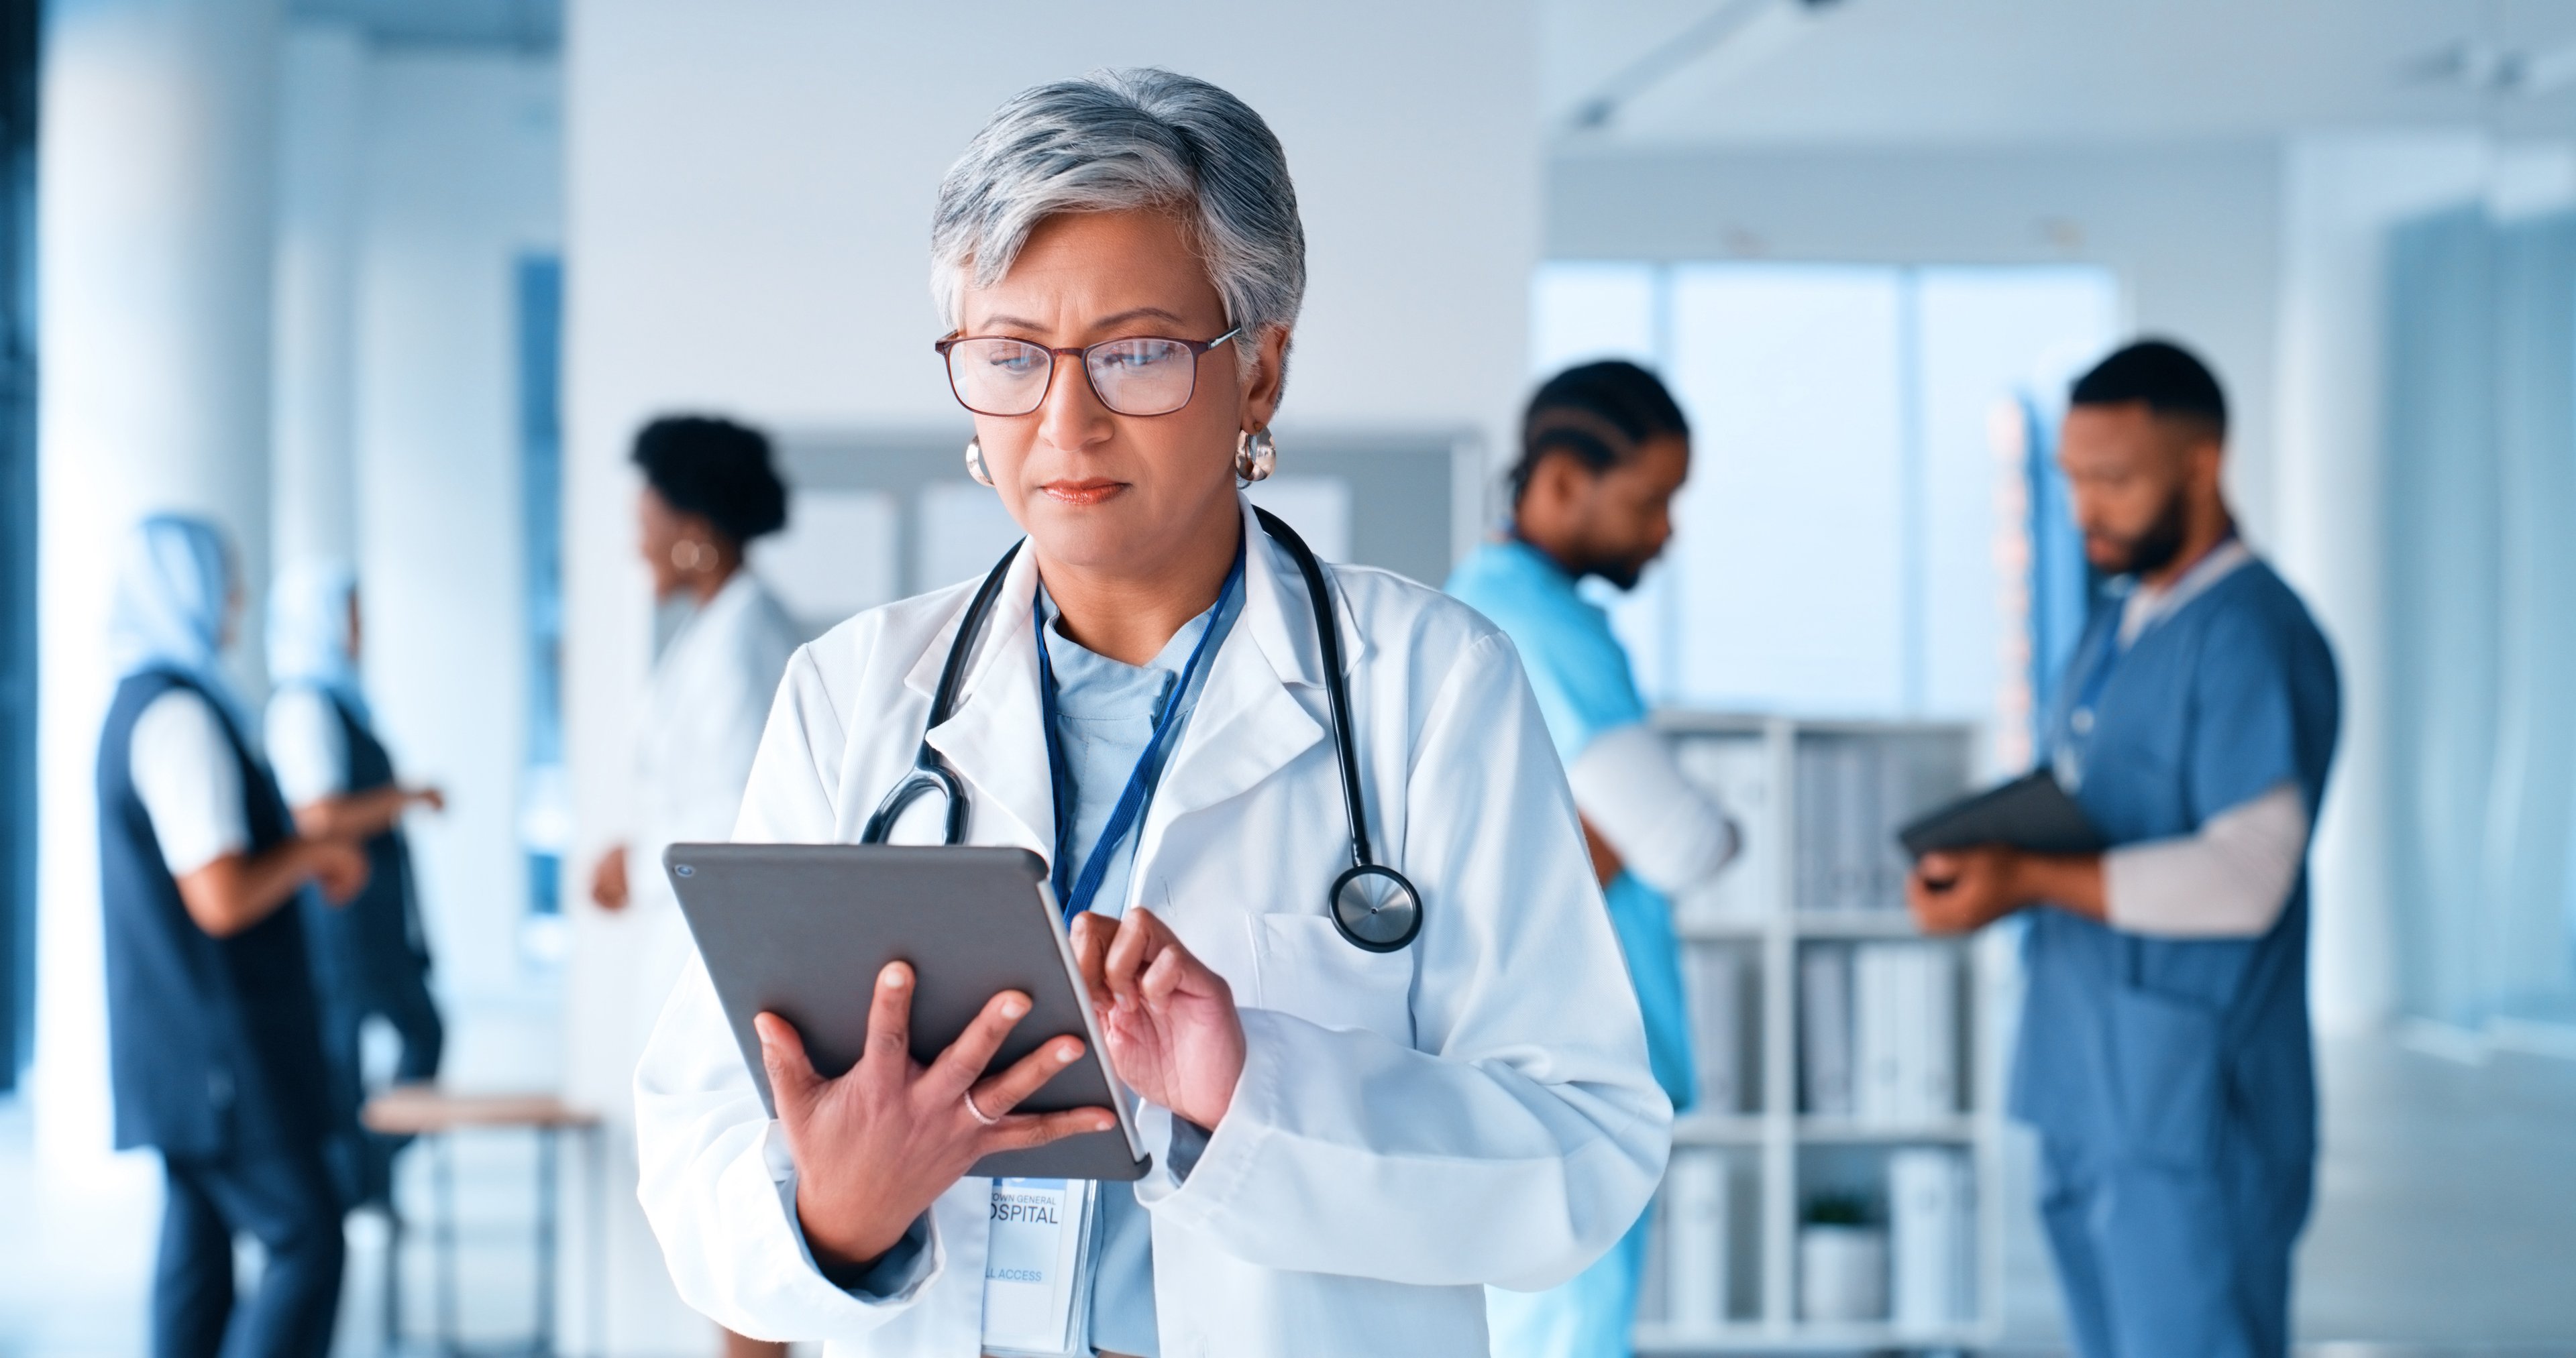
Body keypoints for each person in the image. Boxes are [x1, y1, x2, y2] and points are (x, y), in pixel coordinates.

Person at [633, 69, 1668, 1358]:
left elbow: (1585, 1146)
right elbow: (694, 1138)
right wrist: (834, 1215)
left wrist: (1255, 1098)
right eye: (1010, 357)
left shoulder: (1430, 686)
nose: (1066, 422)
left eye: (1136, 355)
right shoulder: (852, 696)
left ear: (1262, 373)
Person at [1903, 340, 2340, 1358]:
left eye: (2114, 479)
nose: (2085, 508)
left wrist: (2029, 877)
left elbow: (2246, 877)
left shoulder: (2251, 634)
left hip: (2191, 1104)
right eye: (2072, 480)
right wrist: (1991, 875)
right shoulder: (2118, 625)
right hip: (2090, 1079)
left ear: (2202, 464)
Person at [1446, 360, 1739, 1358]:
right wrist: (1640, 833)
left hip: (1533, 1057)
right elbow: (1688, 839)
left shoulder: (1484, 604)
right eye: (1652, 501)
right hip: (1573, 1069)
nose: (1666, 531)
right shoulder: (1536, 622)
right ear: (1566, 480)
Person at [97, 515, 371, 1358]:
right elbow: (219, 897)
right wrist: (315, 852)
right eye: (225, 580)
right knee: (307, 1239)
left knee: (198, 1254)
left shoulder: (143, 702)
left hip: (180, 1054)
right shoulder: (179, 718)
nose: (238, 601)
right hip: (222, 1056)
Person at [582, 414, 802, 1358]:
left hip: (730, 975)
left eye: (645, 506)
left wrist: (633, 863)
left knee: (744, 1234)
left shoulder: (748, 639)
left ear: (691, 520)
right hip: (694, 963)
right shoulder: (715, 627)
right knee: (723, 1233)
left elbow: (743, 824)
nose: (635, 531)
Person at [265, 559, 447, 1210]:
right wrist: (408, 796)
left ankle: (368, 1172)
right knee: (346, 1054)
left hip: (374, 914)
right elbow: (319, 813)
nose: (359, 627)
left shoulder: (342, 701)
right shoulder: (304, 705)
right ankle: (350, 1185)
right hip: (338, 915)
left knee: (417, 1033)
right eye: (350, 612)